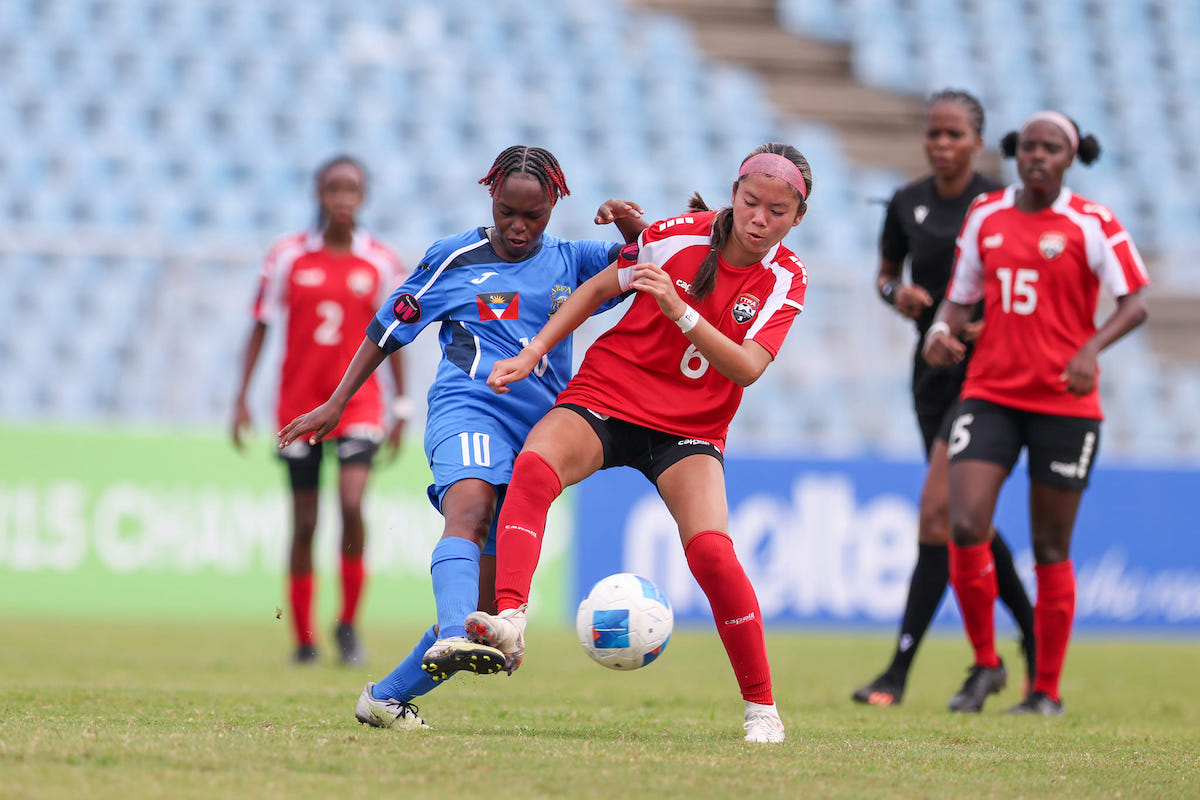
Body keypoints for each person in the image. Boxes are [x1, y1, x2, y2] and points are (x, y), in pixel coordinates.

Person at [277, 145, 646, 729]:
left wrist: (633, 226)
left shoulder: (573, 261)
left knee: (484, 612)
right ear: (491, 199)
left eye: (534, 216)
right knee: (468, 508)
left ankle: (385, 697)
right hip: (468, 409)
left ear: (554, 206)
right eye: (507, 213)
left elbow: (652, 264)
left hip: (539, 432)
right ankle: (450, 634)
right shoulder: (455, 258)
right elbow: (386, 330)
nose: (519, 227)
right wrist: (337, 402)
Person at [463, 143, 813, 744]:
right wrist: (531, 352)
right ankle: (512, 617)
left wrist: (680, 311)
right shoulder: (677, 235)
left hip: (690, 428)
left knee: (711, 553)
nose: (760, 219)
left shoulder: (787, 278)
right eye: (751, 202)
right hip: (609, 394)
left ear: (797, 217)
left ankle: (762, 708)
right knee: (534, 470)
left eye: (777, 212)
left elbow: (748, 368)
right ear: (734, 193)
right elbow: (599, 290)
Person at [924, 111, 1149, 715]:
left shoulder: (1092, 222)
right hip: (991, 392)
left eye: (1051, 148)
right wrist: (938, 333)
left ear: (1070, 157)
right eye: (1029, 146)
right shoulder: (987, 215)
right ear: (1014, 152)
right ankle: (987, 664)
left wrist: (1090, 348)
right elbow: (959, 297)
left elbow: (1136, 304)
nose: (1038, 156)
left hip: (1065, 403)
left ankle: (1044, 690)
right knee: (964, 523)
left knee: (1050, 545)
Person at [852, 90, 1036, 708]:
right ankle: (1033, 643)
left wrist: (991, 325)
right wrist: (894, 294)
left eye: (954, 134)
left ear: (978, 141)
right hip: (930, 376)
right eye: (934, 133)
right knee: (966, 517)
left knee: (939, 512)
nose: (941, 144)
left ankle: (898, 674)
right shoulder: (907, 202)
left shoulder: (999, 203)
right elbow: (885, 272)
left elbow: (1023, 283)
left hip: (989, 375)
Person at [232, 155, 407, 666]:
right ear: (319, 193)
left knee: (352, 506)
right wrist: (240, 396)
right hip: (299, 409)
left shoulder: (380, 261)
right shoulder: (287, 256)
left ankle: (348, 625)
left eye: (352, 188)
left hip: (359, 406)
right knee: (304, 522)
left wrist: (400, 404)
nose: (342, 198)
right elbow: (260, 325)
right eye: (334, 188)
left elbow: (399, 333)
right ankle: (303, 639)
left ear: (364, 195)